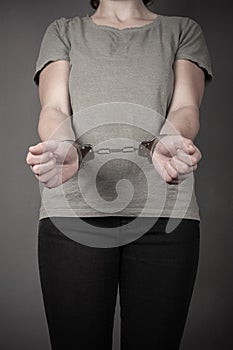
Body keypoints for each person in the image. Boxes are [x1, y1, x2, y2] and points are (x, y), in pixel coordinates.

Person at [26, 0, 214, 349]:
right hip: (74, 214)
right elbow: (53, 107)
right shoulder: (63, 31)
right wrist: (64, 145)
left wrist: (172, 138)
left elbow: (187, 105)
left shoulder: (181, 30)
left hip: (165, 216)